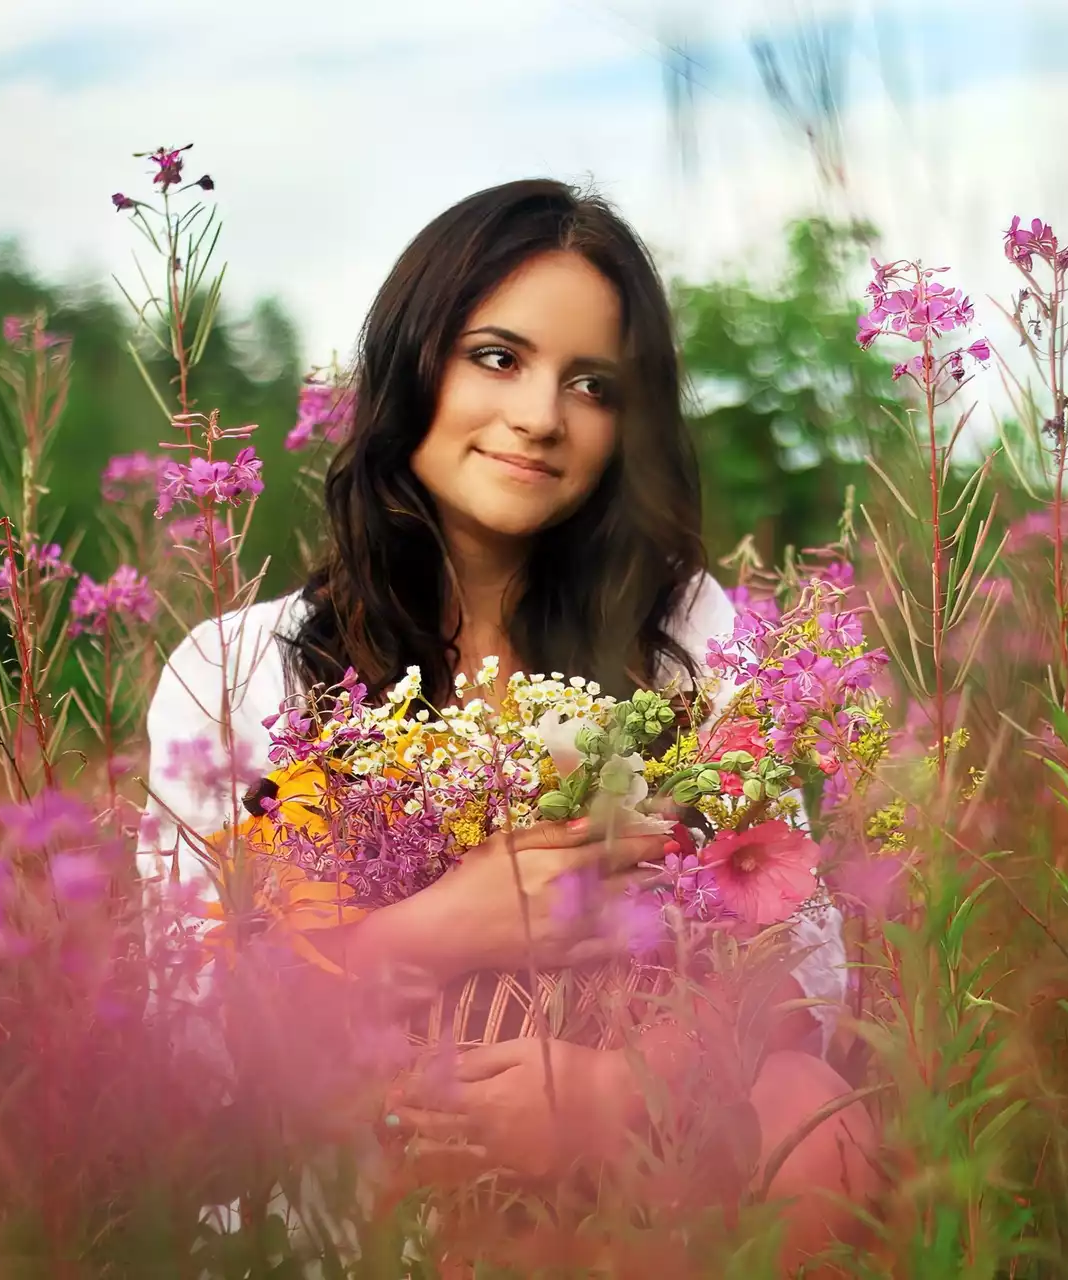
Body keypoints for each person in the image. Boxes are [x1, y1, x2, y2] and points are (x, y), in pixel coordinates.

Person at [138, 178, 876, 1264]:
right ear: (413, 359)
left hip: (634, 1185)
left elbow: (797, 976)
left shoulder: (686, 636)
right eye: (498, 357)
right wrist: (446, 925)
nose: (539, 415)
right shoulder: (238, 672)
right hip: (351, 1190)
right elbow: (189, 1031)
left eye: (592, 384)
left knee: (820, 1120)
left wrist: (612, 1093)